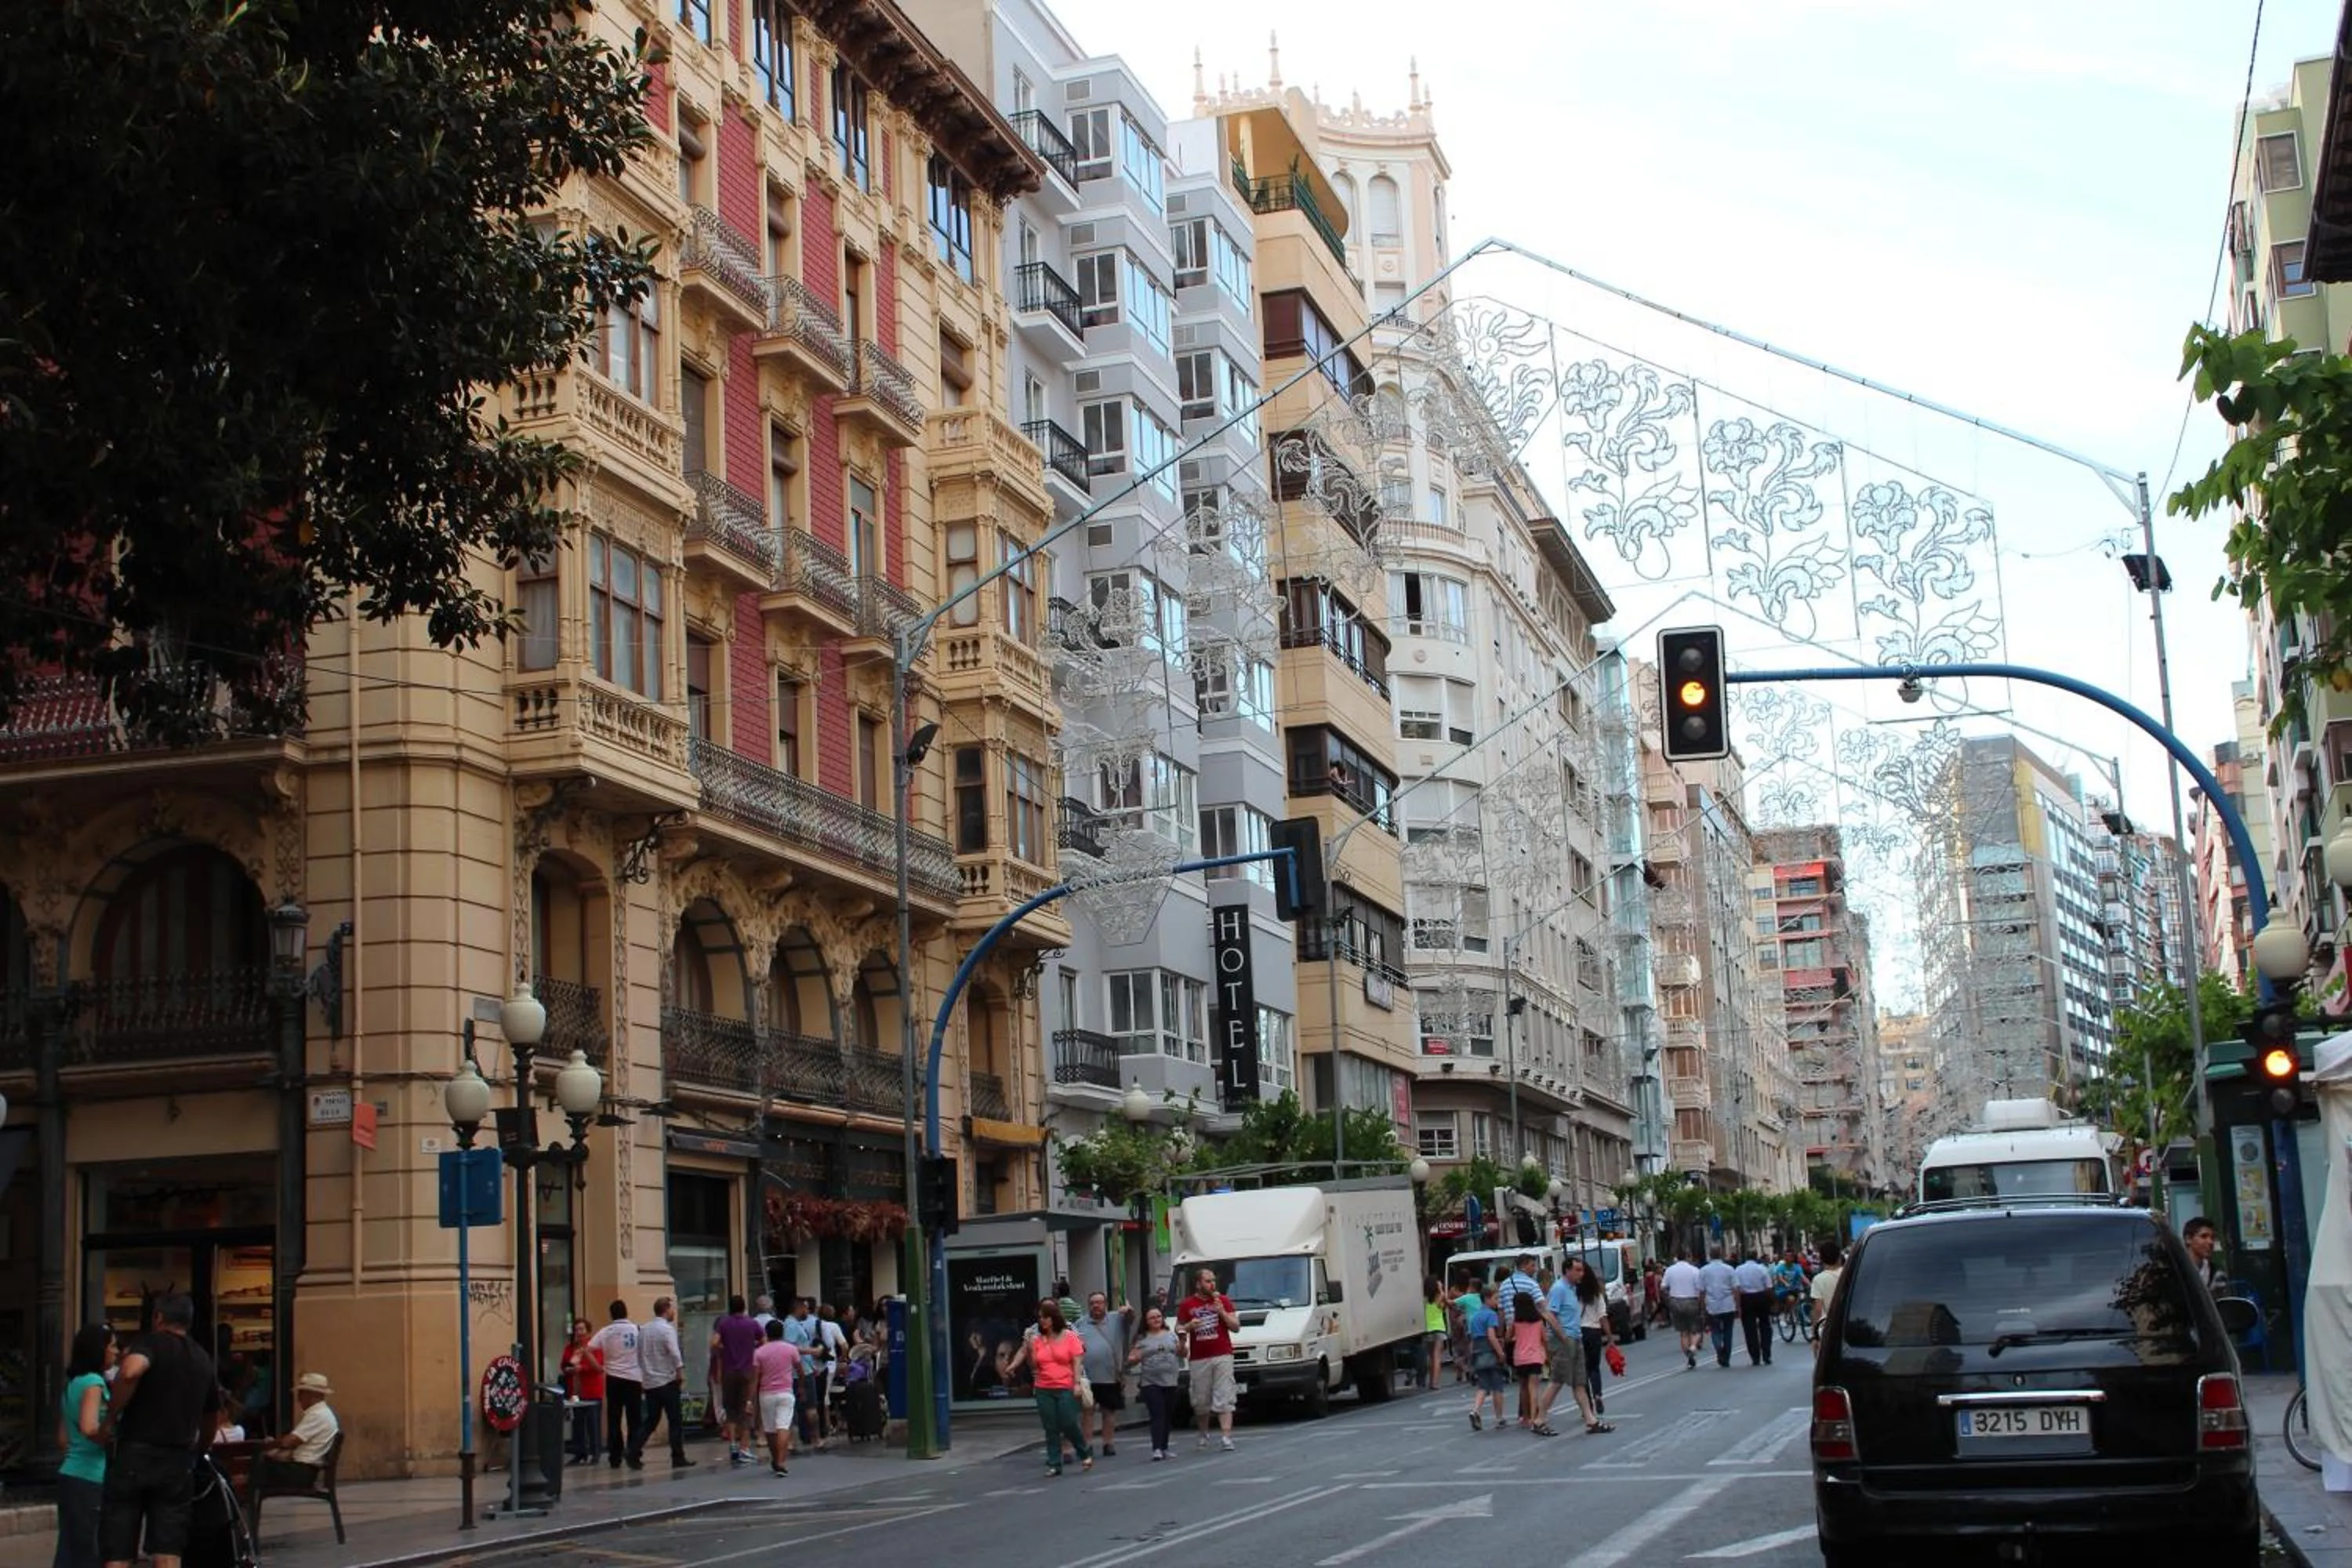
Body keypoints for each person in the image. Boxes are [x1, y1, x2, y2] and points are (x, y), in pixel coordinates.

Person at [98, 1292, 219, 1568]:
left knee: (118, 1547)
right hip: (177, 1460)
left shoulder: (150, 1343)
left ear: (158, 1317)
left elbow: (130, 1371)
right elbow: (211, 1415)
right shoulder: (202, 1358)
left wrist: (111, 1418)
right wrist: (201, 1449)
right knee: (168, 1547)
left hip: (134, 1454)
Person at [1007, 1299, 1092, 1477]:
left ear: (1054, 1317)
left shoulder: (1069, 1336)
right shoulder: (1036, 1338)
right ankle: (1054, 1463)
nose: (1042, 1321)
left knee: (1068, 1421)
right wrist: (1014, 1365)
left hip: (1065, 1385)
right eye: (1040, 1318)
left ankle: (1083, 1451)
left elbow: (1077, 1360)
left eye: (1045, 1317)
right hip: (1043, 1387)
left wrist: (1077, 1383)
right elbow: (1031, 1360)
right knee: (1050, 1426)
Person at [56, 1325, 114, 1568]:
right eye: (112, 1346)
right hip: (91, 1476)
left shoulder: (73, 1384)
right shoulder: (93, 1383)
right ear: (99, 1350)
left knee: (69, 1549)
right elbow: (90, 1427)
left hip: (70, 1473)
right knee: (90, 1551)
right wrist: (111, 1440)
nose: (117, 1352)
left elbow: (62, 1439)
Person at [1177, 1268, 1240, 1451]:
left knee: (1225, 1394)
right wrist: (1189, 1326)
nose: (1212, 1284)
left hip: (1222, 1353)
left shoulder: (1223, 1301)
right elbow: (1178, 1329)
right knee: (1201, 1398)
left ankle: (1226, 1436)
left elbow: (1236, 1327)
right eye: (1207, 1281)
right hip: (1199, 1357)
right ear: (1198, 1284)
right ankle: (1203, 1433)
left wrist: (1222, 1312)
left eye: (1213, 1280)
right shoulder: (1187, 1304)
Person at [633, 1296, 693, 1468]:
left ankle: (633, 1449)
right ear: (666, 1310)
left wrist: (644, 1375)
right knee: (675, 1420)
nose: (674, 1312)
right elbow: (675, 1353)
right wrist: (679, 1372)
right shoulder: (667, 1330)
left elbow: (640, 1354)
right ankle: (678, 1456)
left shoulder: (644, 1329)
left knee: (651, 1419)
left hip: (651, 1381)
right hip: (667, 1380)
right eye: (672, 1309)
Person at [252, 1372, 338, 1492]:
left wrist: (270, 1444)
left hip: (300, 1472)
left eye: (301, 1393)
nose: (298, 1398)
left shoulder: (317, 1415)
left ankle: (242, 1507)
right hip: (302, 1470)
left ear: (311, 1394)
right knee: (256, 1469)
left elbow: (289, 1441)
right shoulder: (322, 1413)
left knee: (253, 1469)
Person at [1075, 1291, 1134, 1457]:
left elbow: (1132, 1318)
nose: (1096, 1306)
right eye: (1093, 1303)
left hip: (1110, 1375)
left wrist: (1128, 1310)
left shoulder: (1117, 1319)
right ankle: (1087, 1444)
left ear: (1106, 1304)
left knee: (1108, 1411)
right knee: (1088, 1411)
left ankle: (1108, 1443)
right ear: (1089, 1305)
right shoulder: (1080, 1323)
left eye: (1100, 1302)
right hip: (1087, 1376)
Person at [588, 1299, 643, 1470]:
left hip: (613, 1378)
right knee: (635, 1419)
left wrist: (599, 1367)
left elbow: (589, 1348)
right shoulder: (636, 1329)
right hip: (634, 1378)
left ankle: (615, 1456)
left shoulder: (606, 1332)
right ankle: (634, 1454)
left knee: (614, 1418)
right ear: (626, 1312)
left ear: (611, 1314)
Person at [710, 1295, 764, 1467]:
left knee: (731, 1410)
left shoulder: (724, 1323)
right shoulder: (752, 1324)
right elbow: (764, 1342)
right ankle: (744, 1448)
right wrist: (752, 1349)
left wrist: (723, 1351)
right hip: (747, 1371)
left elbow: (714, 1343)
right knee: (747, 1409)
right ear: (744, 1307)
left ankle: (733, 1445)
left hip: (729, 1372)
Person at [1127, 1307, 1183, 1461]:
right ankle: (1157, 1448)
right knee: (1158, 1414)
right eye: (1152, 1318)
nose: (1156, 1320)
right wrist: (1134, 1358)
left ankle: (1165, 1447)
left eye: (1158, 1317)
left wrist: (1183, 1341)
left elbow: (1182, 1353)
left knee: (1167, 1415)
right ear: (1146, 1322)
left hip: (1170, 1381)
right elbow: (1131, 1359)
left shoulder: (1171, 1335)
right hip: (1150, 1382)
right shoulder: (1142, 1339)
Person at [1568, 1258, 1617, 1432]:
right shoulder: (1596, 1293)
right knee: (1594, 1368)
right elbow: (1603, 1316)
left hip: (1579, 1332)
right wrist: (1610, 1337)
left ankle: (1587, 1404)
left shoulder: (1574, 1292)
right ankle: (1598, 1395)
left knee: (1582, 1370)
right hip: (1594, 1332)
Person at [750, 1318, 801, 1476]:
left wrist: (750, 1399)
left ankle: (776, 1459)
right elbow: (800, 1369)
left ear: (767, 1334)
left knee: (770, 1430)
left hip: (766, 1394)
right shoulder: (791, 1349)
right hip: (786, 1391)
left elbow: (755, 1378)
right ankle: (781, 1461)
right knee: (783, 1426)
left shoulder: (759, 1352)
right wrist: (803, 1385)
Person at [1507, 1279, 1553, 1435]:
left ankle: (1525, 1416)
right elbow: (1544, 1339)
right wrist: (1548, 1355)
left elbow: (1508, 1337)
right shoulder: (1538, 1320)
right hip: (1535, 1357)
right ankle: (1534, 1417)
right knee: (1534, 1388)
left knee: (1523, 1388)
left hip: (1520, 1358)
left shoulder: (1516, 1321)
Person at [1464, 1283, 1508, 1432]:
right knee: (1497, 1386)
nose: (1498, 1302)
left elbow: (1471, 1339)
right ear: (1487, 1299)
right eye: (1496, 1299)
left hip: (1477, 1352)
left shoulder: (1475, 1317)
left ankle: (1475, 1410)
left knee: (1483, 1386)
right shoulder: (1491, 1315)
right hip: (1490, 1353)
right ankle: (1499, 1418)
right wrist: (1501, 1353)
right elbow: (1491, 1336)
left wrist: (1471, 1359)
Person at [561, 1316, 604, 1465]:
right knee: (577, 1423)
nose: (579, 1333)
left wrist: (583, 1368)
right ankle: (580, 1452)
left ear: (588, 1331)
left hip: (592, 1390)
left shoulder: (594, 1347)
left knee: (593, 1423)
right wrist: (568, 1369)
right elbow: (564, 1364)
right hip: (576, 1391)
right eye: (577, 1329)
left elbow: (598, 1367)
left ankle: (595, 1452)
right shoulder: (570, 1348)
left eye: (582, 1329)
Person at [1663, 1247, 1705, 1370]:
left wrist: (1669, 1300)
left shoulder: (1670, 1270)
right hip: (1692, 1301)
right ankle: (1693, 1347)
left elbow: (1663, 1287)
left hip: (1676, 1301)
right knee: (1696, 1330)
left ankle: (1688, 1354)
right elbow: (1700, 1288)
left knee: (1683, 1332)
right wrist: (1701, 1304)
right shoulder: (1694, 1270)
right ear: (1688, 1256)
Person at [1697, 1246, 1740, 1369]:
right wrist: (1738, 1306)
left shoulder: (1704, 1271)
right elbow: (1735, 1289)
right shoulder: (1729, 1269)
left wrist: (1701, 1307)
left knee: (1715, 1331)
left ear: (1710, 1255)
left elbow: (1701, 1291)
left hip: (1712, 1306)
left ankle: (1719, 1350)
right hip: (1728, 1305)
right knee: (1728, 1332)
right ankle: (1726, 1356)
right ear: (1721, 1254)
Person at [1733, 1250, 1774, 1367]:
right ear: (1756, 1257)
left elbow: (1736, 1287)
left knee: (1749, 1329)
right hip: (1760, 1297)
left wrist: (1738, 1305)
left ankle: (1755, 1356)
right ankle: (1767, 1354)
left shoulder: (1739, 1269)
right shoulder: (1762, 1269)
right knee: (1765, 1326)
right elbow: (1768, 1287)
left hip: (1746, 1298)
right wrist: (1771, 1300)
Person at [1808, 1238, 1845, 1352]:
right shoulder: (1848, 1274)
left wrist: (1814, 1336)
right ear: (1839, 1257)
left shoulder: (1819, 1280)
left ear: (1821, 1259)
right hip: (1849, 1325)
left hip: (1828, 1328)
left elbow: (1818, 1309)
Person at [1419, 1277, 1447, 1390]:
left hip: (1427, 1330)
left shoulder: (1423, 1299)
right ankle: (1435, 1383)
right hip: (1439, 1329)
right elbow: (1443, 1307)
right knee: (1437, 1357)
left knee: (1431, 1357)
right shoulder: (1440, 1297)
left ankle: (1431, 1380)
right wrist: (1441, 1290)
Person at [2184, 1216, 2224, 1293]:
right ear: (2188, 1239)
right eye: (2204, 1236)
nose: (2210, 1242)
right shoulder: (2176, 1269)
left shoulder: (2216, 1273)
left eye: (2212, 1238)